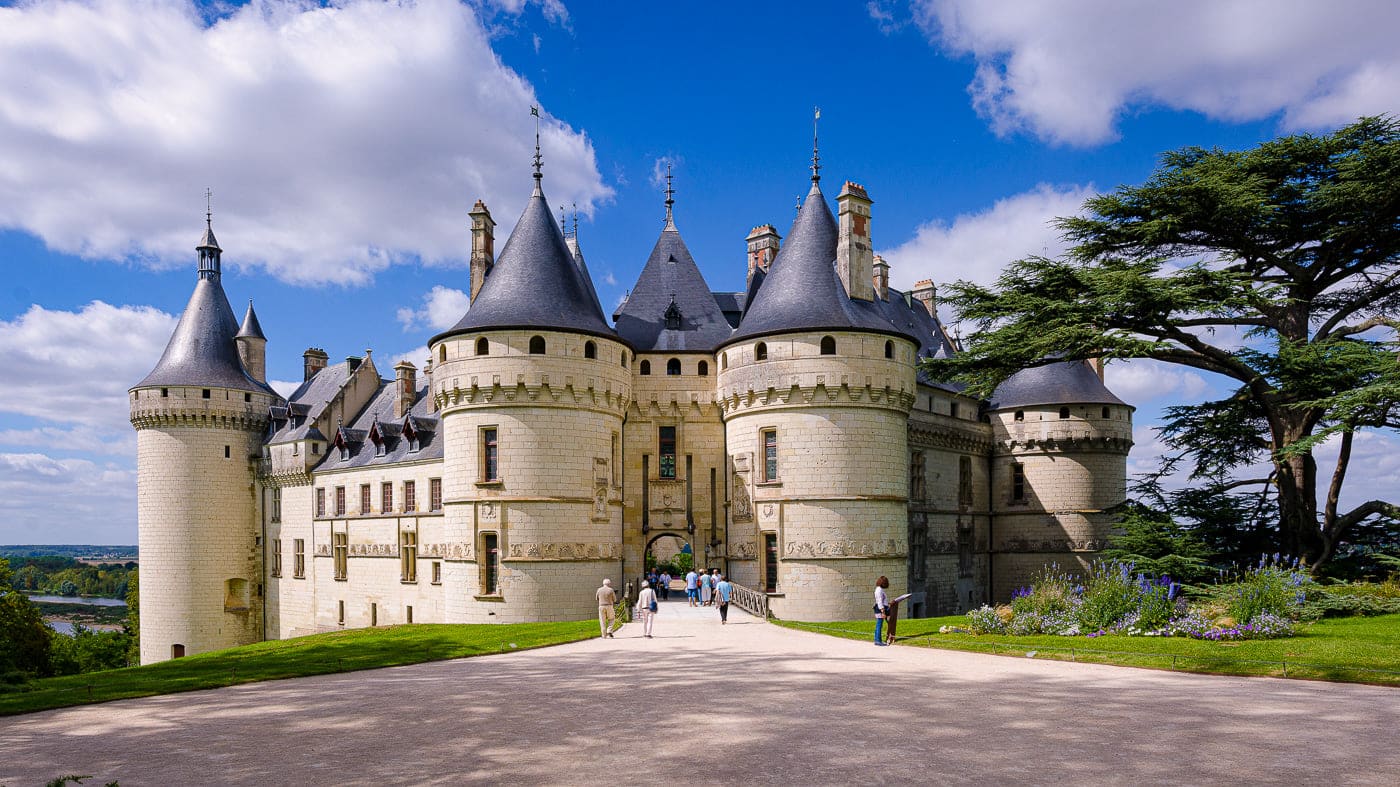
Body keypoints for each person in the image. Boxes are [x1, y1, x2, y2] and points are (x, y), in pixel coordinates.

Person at [873, 575, 890, 646]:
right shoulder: (879, 590)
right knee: (879, 625)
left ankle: (878, 640)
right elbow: (879, 601)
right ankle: (878, 640)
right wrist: (883, 611)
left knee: (879, 624)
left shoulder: (879, 589)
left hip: (881, 608)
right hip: (880, 609)